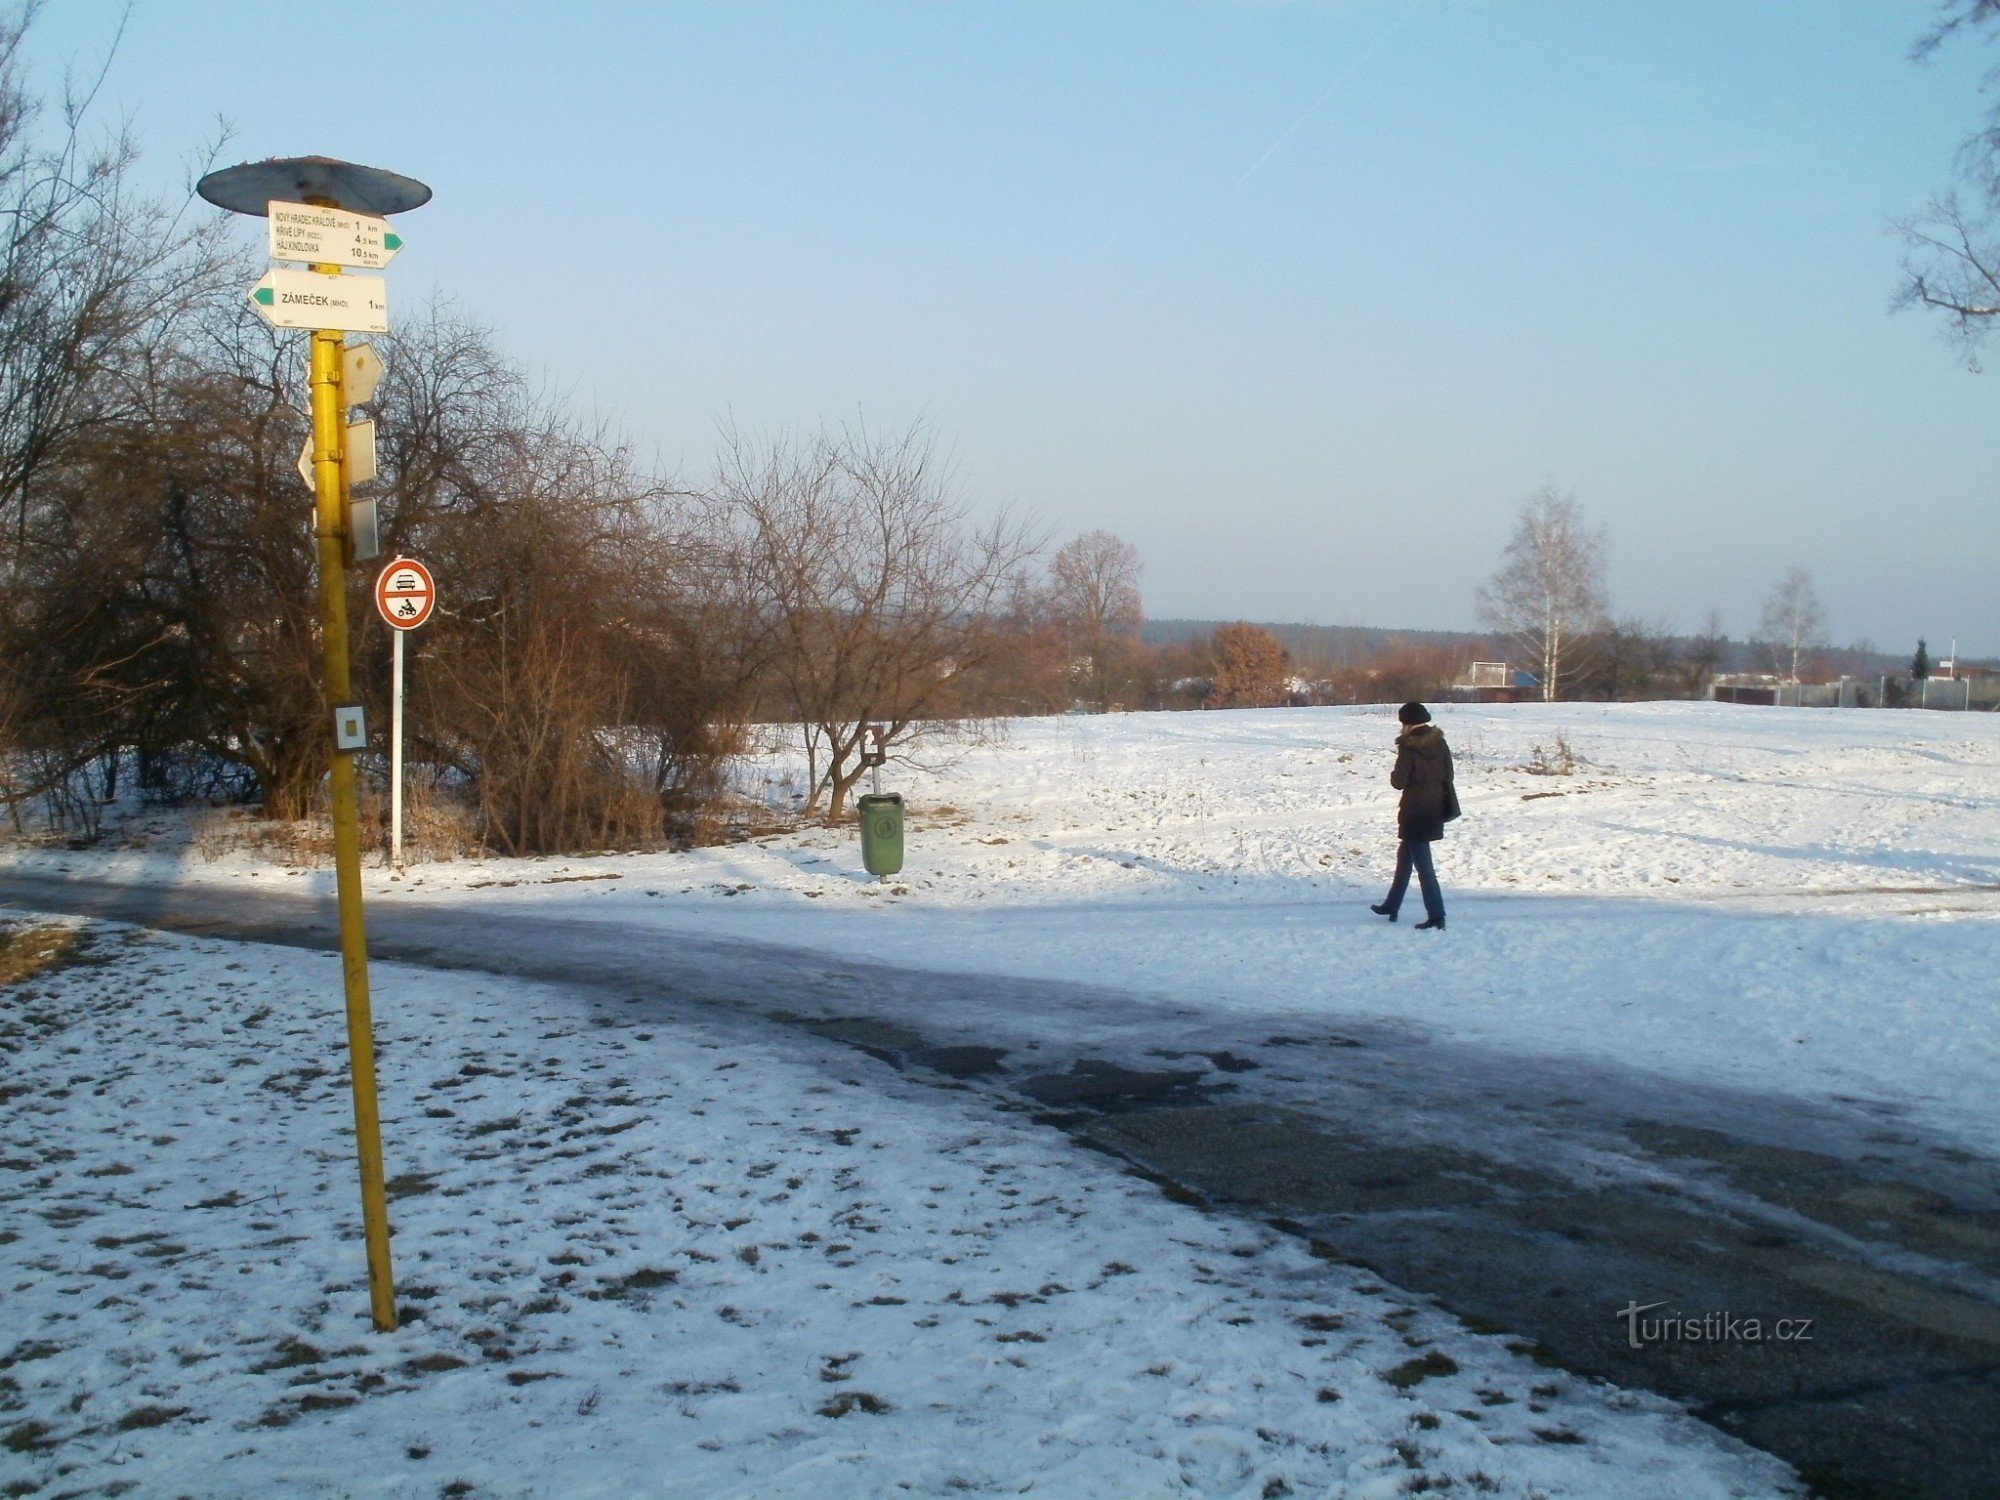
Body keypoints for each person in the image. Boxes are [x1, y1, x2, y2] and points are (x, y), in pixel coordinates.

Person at [1370, 702, 1457, 930]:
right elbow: (1449, 774)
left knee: (1424, 867)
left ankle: (1437, 915)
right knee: (1404, 860)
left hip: (1415, 811)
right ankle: (1392, 904)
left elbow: (1398, 782)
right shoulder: (1440, 742)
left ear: (1405, 723)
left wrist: (1396, 773)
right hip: (1434, 808)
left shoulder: (1409, 747)